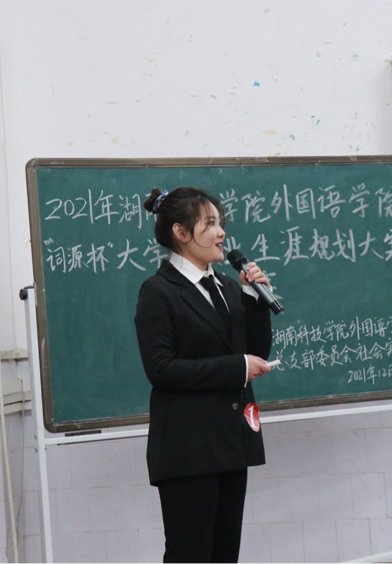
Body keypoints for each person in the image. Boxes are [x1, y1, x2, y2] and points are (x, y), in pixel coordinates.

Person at [134, 186, 274, 564]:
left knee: (225, 554)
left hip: (231, 441)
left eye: (220, 223)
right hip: (187, 448)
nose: (221, 232)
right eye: (209, 224)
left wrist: (254, 300)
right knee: (190, 554)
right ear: (181, 233)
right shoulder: (158, 292)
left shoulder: (228, 286)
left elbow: (255, 354)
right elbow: (161, 370)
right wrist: (237, 367)